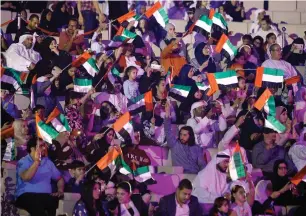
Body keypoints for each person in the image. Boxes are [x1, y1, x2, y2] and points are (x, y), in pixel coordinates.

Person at [15, 136, 64, 216]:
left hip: (46, 196)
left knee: (52, 203)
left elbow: (59, 178)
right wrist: (37, 161)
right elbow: (26, 177)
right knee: (37, 205)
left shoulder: (48, 163)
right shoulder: (23, 161)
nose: (45, 148)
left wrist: (60, 190)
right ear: (32, 149)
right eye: (41, 146)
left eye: (44, 145)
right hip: (26, 195)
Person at [164, 101, 206, 174]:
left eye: (185, 135)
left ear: (190, 136)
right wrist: (167, 114)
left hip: (196, 175)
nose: (182, 137)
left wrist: (202, 175)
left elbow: (202, 164)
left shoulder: (196, 148)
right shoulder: (174, 144)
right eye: (181, 134)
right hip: (182, 176)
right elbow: (167, 130)